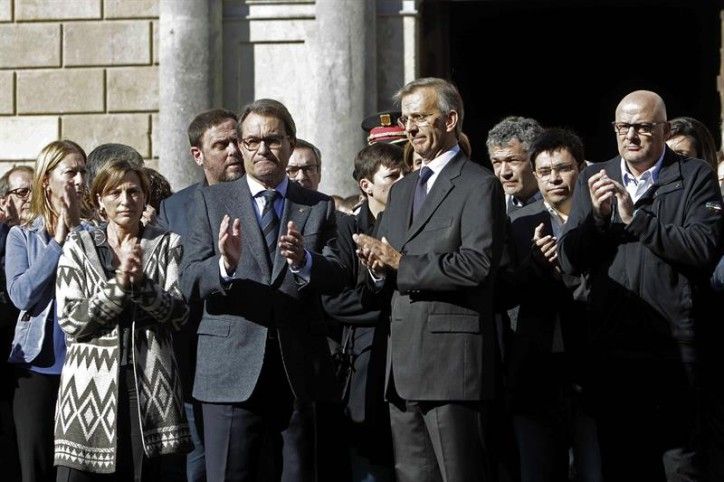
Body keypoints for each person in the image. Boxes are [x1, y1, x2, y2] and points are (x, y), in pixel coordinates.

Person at [557, 90, 723, 480]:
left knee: (680, 466)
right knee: (623, 463)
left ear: (664, 130)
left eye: (643, 127)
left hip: (674, 349)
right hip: (612, 351)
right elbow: (569, 259)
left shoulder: (693, 175)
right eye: (622, 127)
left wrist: (636, 220)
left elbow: (702, 247)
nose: (631, 135)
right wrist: (597, 221)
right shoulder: (594, 178)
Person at [180, 98, 346, 482]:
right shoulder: (210, 200)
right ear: (240, 145)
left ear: (290, 143)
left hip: (297, 372)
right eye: (251, 141)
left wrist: (304, 261)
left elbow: (339, 274)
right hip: (230, 369)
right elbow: (187, 280)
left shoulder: (317, 206)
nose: (261, 150)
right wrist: (224, 264)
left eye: (271, 139)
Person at [354, 77, 506, 482]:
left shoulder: (479, 184)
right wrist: (374, 265)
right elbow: (387, 266)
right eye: (407, 119)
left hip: (451, 368)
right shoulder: (402, 191)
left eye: (421, 117)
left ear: (451, 119)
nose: (410, 128)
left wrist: (401, 263)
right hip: (400, 368)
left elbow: (477, 264)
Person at [54, 154, 191, 480]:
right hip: (88, 388)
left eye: (133, 192)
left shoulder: (167, 244)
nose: (125, 200)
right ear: (99, 201)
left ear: (145, 197)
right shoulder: (78, 244)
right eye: (115, 193)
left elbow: (178, 314)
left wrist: (142, 285)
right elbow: (71, 320)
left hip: (151, 384)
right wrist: (118, 288)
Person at [504, 128, 602, 482]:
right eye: (544, 172)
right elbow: (501, 292)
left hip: (594, 371)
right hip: (535, 375)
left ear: (582, 168)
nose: (554, 179)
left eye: (563, 168)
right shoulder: (518, 225)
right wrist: (533, 267)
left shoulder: (602, 218)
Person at [156, 107, 243, 482]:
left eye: (237, 141)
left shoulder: (259, 198)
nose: (234, 151)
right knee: (198, 467)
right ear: (198, 155)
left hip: (247, 353)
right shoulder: (173, 209)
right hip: (192, 358)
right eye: (221, 144)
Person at [323, 142, 406, 482]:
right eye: (393, 176)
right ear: (366, 185)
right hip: (365, 361)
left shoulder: (411, 223)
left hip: (408, 360)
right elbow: (336, 300)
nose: (403, 182)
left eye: (406, 174)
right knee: (368, 461)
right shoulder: (346, 228)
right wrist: (394, 307)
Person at [5, 140, 86, 482]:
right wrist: (57, 242)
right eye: (71, 172)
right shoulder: (22, 236)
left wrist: (77, 232)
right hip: (36, 368)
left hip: (84, 367)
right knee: (34, 466)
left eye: (84, 171)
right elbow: (22, 294)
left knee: (77, 470)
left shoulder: (95, 232)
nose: (80, 180)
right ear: (46, 181)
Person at [487, 116, 544, 214]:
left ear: (537, 160)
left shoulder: (568, 205)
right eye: (497, 162)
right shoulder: (490, 209)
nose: (504, 172)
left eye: (513, 161)